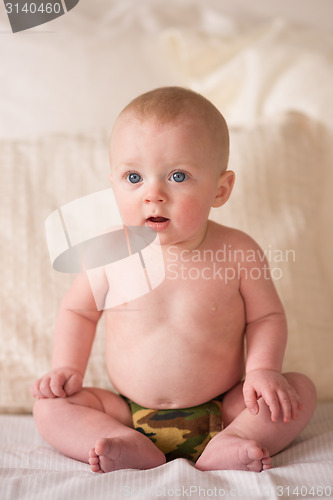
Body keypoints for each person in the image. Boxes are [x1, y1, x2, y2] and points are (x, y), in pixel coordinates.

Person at [31, 86, 316, 473]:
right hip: (123, 411)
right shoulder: (108, 252)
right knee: (50, 408)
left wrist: (262, 371)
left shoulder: (237, 250)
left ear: (221, 189)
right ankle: (127, 445)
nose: (154, 194)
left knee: (298, 389)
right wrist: (67, 368)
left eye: (178, 176)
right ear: (113, 184)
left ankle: (233, 441)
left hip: (227, 406)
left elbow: (266, 318)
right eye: (133, 176)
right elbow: (78, 312)